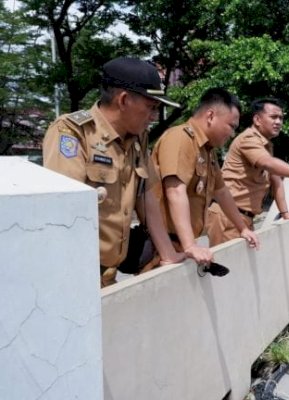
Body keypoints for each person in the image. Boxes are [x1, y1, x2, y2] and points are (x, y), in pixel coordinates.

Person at [43, 56, 185, 287]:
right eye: (151, 107)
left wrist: (168, 254)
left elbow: (145, 196)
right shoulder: (72, 132)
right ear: (124, 100)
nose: (153, 117)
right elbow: (65, 211)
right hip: (77, 275)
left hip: (109, 275)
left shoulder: (137, 138)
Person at [152, 88, 260, 265]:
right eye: (231, 126)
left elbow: (222, 192)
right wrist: (190, 246)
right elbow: (175, 191)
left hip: (182, 247)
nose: (232, 133)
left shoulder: (207, 150)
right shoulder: (180, 138)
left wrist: (242, 228)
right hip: (166, 248)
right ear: (210, 116)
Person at [205, 98, 289, 246]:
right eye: (273, 117)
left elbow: (276, 181)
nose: (278, 122)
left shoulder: (265, 144)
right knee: (228, 266)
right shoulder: (248, 139)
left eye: (281, 118)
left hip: (243, 217)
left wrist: (285, 213)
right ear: (257, 119)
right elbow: (267, 163)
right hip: (227, 216)